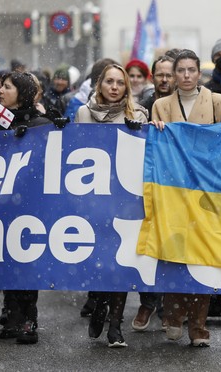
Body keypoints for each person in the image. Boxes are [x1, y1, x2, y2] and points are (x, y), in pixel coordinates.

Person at [151, 49, 221, 348]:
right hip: (172, 189)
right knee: (174, 255)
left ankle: (198, 325)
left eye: (190, 70)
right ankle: (173, 315)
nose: (185, 75)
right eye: (179, 70)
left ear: (199, 73)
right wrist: (154, 131)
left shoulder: (217, 101)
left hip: (206, 189)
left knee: (203, 258)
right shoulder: (160, 105)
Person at [75, 63, 150, 348]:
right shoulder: (84, 113)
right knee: (98, 261)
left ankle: (116, 325)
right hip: (94, 200)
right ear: (100, 85)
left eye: (120, 82)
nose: (115, 87)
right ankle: (98, 305)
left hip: (126, 200)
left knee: (120, 263)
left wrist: (141, 131)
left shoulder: (138, 113)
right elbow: (76, 153)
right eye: (109, 81)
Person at [0, 72, 55, 344]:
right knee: (6, 259)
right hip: (1, 204)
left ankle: (29, 318)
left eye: (7, 86)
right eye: (1, 86)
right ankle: (13, 314)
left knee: (26, 259)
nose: (1, 90)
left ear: (22, 92)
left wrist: (60, 131)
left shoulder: (41, 124)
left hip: (30, 204)